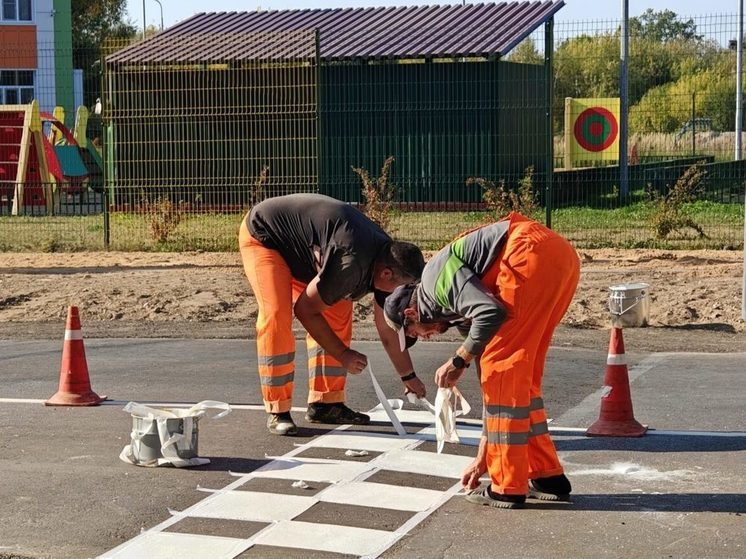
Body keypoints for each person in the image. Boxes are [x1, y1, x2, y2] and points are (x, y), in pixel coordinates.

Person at [383, 212, 579, 509]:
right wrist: (482, 457)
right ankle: (547, 475)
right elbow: (494, 395)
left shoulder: (436, 281)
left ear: (411, 314)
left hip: (527, 255)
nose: (424, 338)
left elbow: (491, 313)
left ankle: (507, 487)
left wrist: (458, 360)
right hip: (557, 256)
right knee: (516, 380)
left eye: (415, 333)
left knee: (504, 374)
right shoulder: (458, 309)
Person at [239, 193, 427, 436]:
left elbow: (387, 329)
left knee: (338, 310)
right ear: (387, 275)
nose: (397, 293)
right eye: (398, 287)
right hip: (267, 237)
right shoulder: (350, 262)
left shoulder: (390, 260)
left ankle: (326, 404)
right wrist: (343, 354)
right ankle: (278, 410)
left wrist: (408, 377)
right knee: (276, 315)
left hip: (308, 254)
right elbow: (305, 310)